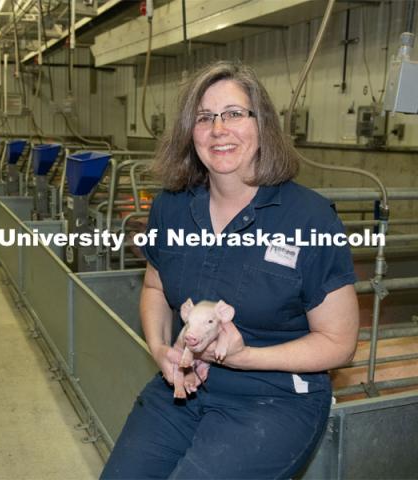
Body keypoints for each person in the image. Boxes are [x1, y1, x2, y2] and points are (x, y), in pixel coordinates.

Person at [101, 61, 360, 479]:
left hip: (275, 400)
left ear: (263, 125)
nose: (219, 129)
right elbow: (154, 285)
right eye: (204, 118)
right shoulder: (171, 206)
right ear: (190, 132)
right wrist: (159, 348)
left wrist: (245, 357)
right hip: (185, 386)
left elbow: (339, 343)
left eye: (235, 114)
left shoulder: (309, 218)